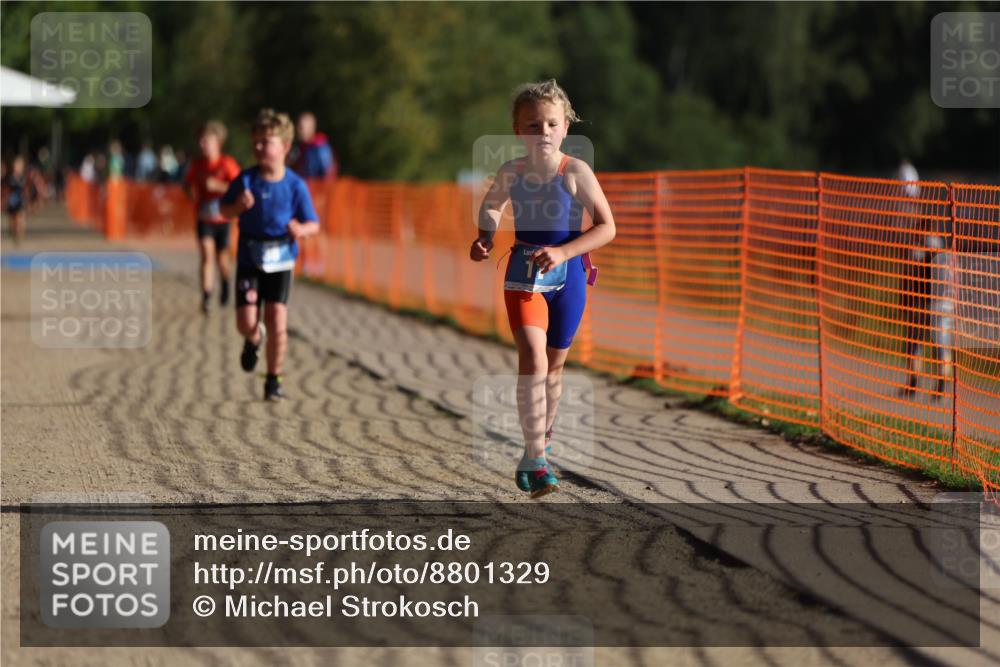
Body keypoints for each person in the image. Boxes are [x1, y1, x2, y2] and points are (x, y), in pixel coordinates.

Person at [470, 80, 615, 498]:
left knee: (554, 369)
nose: (543, 132)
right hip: (524, 273)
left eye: (552, 123)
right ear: (518, 131)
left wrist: (565, 251)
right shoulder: (511, 171)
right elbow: (493, 204)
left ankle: (540, 443)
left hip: (568, 277)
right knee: (532, 359)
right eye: (533, 125)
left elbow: (607, 226)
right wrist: (485, 236)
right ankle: (536, 458)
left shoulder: (576, 172)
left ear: (565, 127)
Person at [220, 109, 320, 401]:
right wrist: (238, 206)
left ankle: (273, 380)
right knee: (245, 321)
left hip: (281, 259)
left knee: (277, 318)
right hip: (250, 258)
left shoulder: (295, 185)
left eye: (267, 142)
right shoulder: (246, 180)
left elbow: (314, 223)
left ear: (285, 146)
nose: (260, 147)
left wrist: (301, 228)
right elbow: (224, 211)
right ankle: (253, 338)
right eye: (256, 142)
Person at [184, 121, 242, 313]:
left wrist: (218, 186)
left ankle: (225, 282)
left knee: (222, 259)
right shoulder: (197, 165)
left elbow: (240, 189)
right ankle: (206, 297)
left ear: (218, 142)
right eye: (201, 140)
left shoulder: (227, 164)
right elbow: (187, 185)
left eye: (207, 140)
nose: (203, 144)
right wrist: (191, 192)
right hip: (204, 218)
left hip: (223, 220)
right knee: (207, 256)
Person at [290, 111, 335, 179]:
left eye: (301, 127)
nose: (298, 130)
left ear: (311, 127)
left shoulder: (320, 148)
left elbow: (327, 174)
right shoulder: (300, 147)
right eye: (298, 126)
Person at [5, 156, 28, 244]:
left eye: (19, 165)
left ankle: (19, 234)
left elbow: (27, 189)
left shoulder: (25, 177)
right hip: (11, 200)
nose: (17, 166)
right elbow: (5, 189)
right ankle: (14, 232)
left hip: (21, 200)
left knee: (20, 218)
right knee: (13, 219)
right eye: (16, 164)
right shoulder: (9, 176)